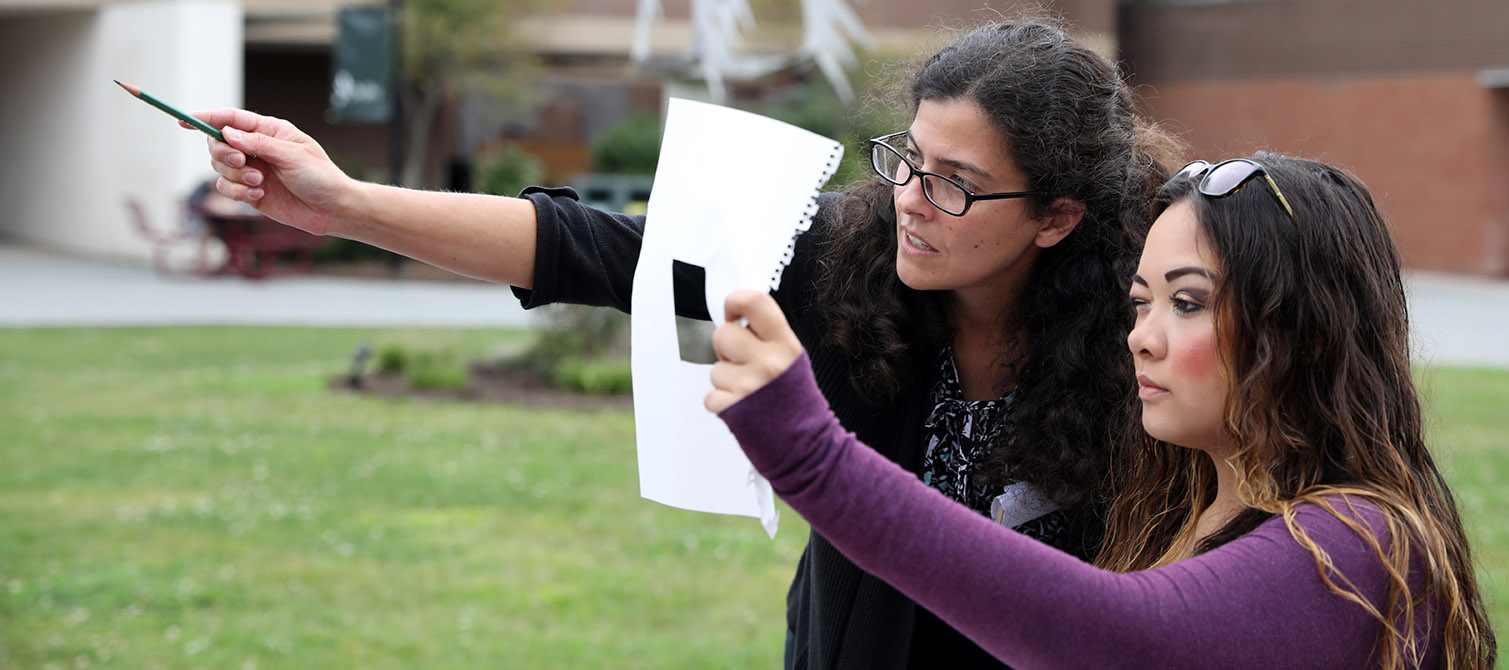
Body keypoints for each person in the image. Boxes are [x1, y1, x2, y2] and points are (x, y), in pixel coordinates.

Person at [195, 19, 1174, 668]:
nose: (911, 200)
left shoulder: (1149, 338)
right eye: (907, 158)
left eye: (954, 182)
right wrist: (346, 204)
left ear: (1056, 216)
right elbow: (598, 248)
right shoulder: (844, 254)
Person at [706, 153, 1498, 669]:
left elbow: (1117, 634)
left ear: (1305, 331)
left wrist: (816, 460)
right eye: (1140, 303)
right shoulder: (1187, 508)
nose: (1142, 340)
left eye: (1188, 303)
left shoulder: (1359, 543)